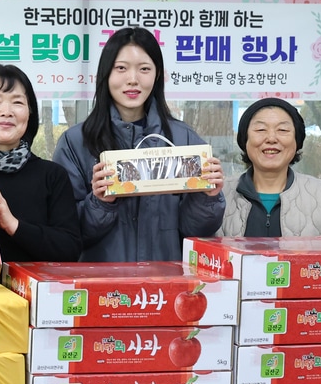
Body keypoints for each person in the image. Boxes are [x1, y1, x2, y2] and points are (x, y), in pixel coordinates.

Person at [53, 27, 225, 261]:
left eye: (144, 69)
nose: (132, 80)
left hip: (165, 286)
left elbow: (198, 233)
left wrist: (207, 197)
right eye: (121, 68)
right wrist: (100, 202)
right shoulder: (75, 143)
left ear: (157, 75)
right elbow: (67, 234)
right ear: (106, 74)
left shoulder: (184, 139)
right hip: (104, 291)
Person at [0, 64, 82, 262]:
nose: (7, 111)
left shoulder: (52, 175)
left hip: (33, 292)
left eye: (17, 102)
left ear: (30, 113)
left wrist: (13, 225)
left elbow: (69, 249)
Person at [221, 97, 321, 237]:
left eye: (283, 130)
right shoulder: (218, 196)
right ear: (244, 139)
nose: (271, 138)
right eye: (260, 130)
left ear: (297, 141)